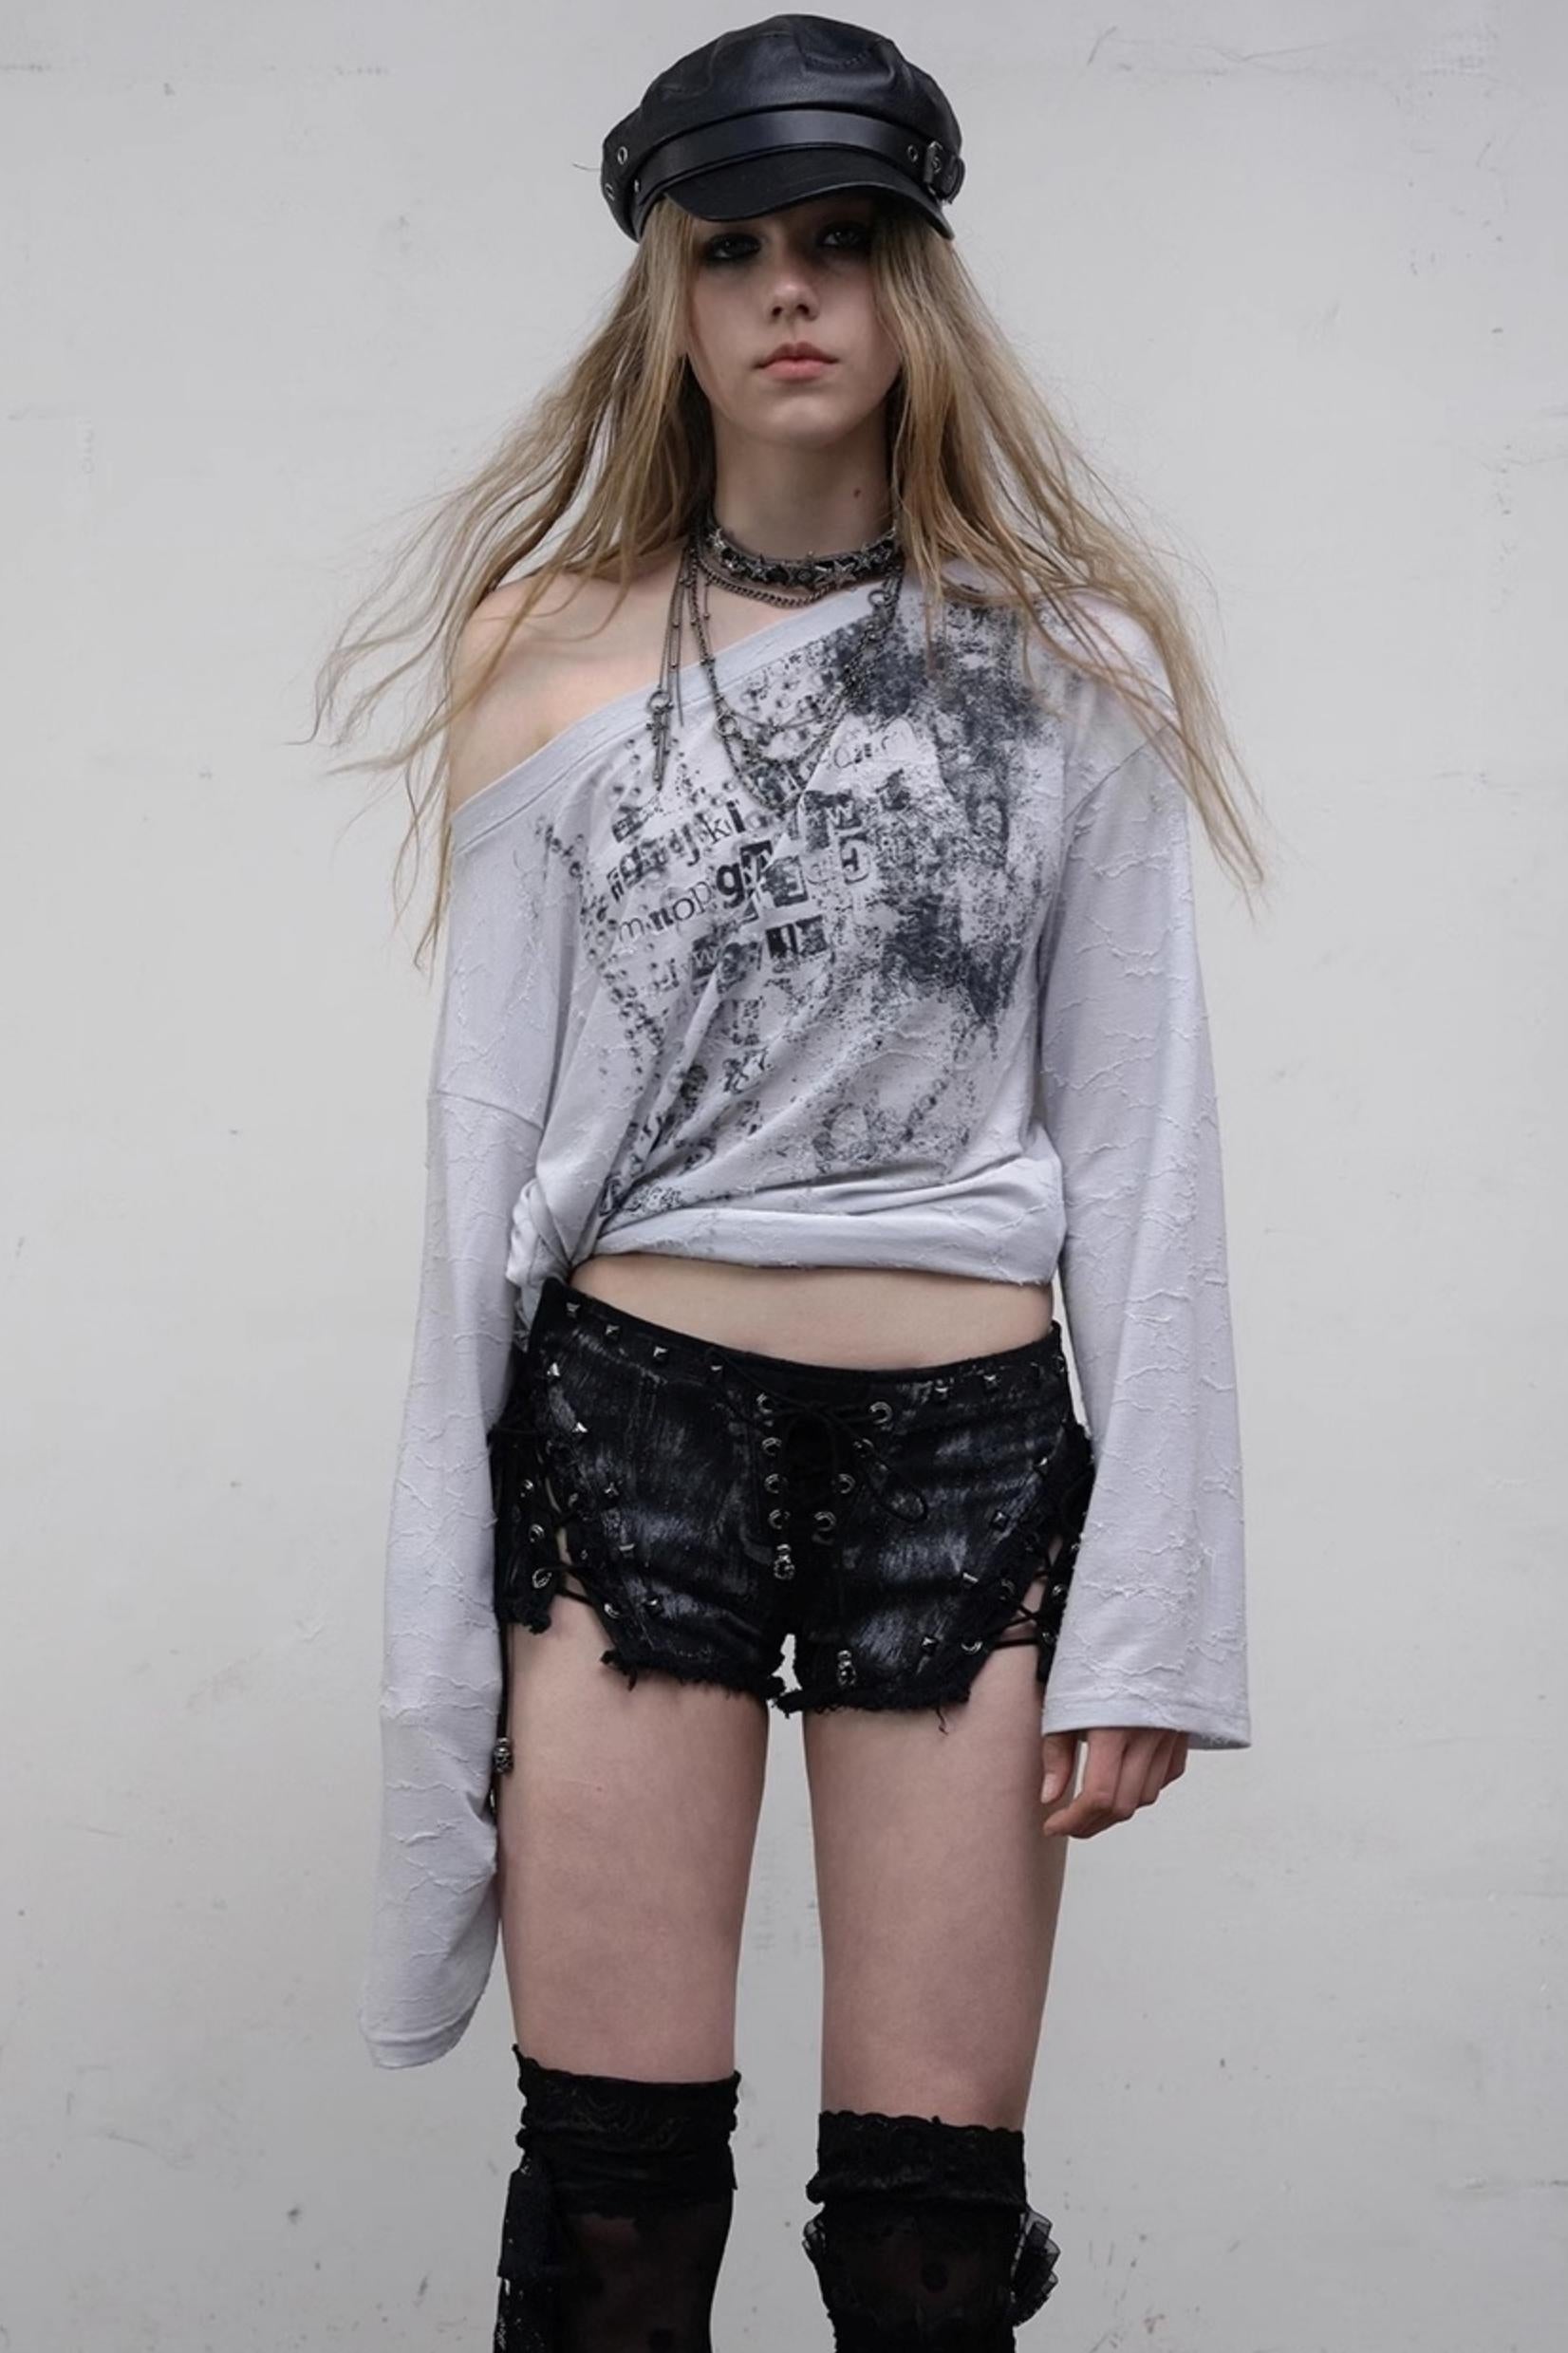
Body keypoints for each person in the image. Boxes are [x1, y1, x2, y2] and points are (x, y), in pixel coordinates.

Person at [314, 14, 1266, 2346]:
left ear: (913, 277)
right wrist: (432, 1633)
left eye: (838, 241)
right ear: (667, 292)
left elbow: (1142, 1143)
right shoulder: (542, 651)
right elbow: (479, 1159)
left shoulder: (1070, 663)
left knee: (924, 2248)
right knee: (615, 2227)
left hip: (965, 1461)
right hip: (630, 1436)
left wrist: (1152, 1611)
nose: (788, 293)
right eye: (729, 250)